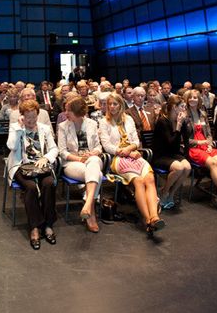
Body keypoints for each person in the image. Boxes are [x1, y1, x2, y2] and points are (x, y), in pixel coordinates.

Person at [99, 93, 164, 235]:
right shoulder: (104, 122)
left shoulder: (128, 119)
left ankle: (155, 217)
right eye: (109, 104)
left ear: (121, 105)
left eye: (115, 104)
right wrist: (128, 152)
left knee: (150, 178)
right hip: (117, 158)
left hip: (133, 154)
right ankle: (147, 220)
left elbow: (135, 140)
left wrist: (131, 149)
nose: (112, 107)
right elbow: (107, 146)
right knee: (138, 181)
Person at [6, 100, 59, 250]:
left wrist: (46, 158)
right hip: (21, 166)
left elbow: (54, 149)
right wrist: (19, 128)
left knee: (49, 184)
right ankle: (34, 227)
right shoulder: (15, 127)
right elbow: (11, 146)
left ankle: (48, 225)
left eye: (34, 117)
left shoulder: (44, 128)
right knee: (30, 188)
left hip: (41, 166)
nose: (31, 121)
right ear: (22, 116)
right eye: (28, 117)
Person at [57, 97, 103, 233]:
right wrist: (78, 159)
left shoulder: (92, 124)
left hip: (91, 159)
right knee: (97, 174)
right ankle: (91, 211)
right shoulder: (63, 126)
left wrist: (93, 152)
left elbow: (98, 147)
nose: (65, 113)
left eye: (68, 110)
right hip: (72, 162)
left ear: (77, 112)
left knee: (94, 161)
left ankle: (88, 205)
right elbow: (62, 152)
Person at [151, 95, 192, 208]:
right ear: (174, 107)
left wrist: (183, 123)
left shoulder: (180, 121)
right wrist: (178, 126)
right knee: (179, 168)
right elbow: (170, 142)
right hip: (161, 155)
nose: (184, 109)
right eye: (182, 107)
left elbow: (186, 139)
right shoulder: (162, 121)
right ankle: (164, 192)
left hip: (174, 154)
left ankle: (171, 194)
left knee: (187, 167)